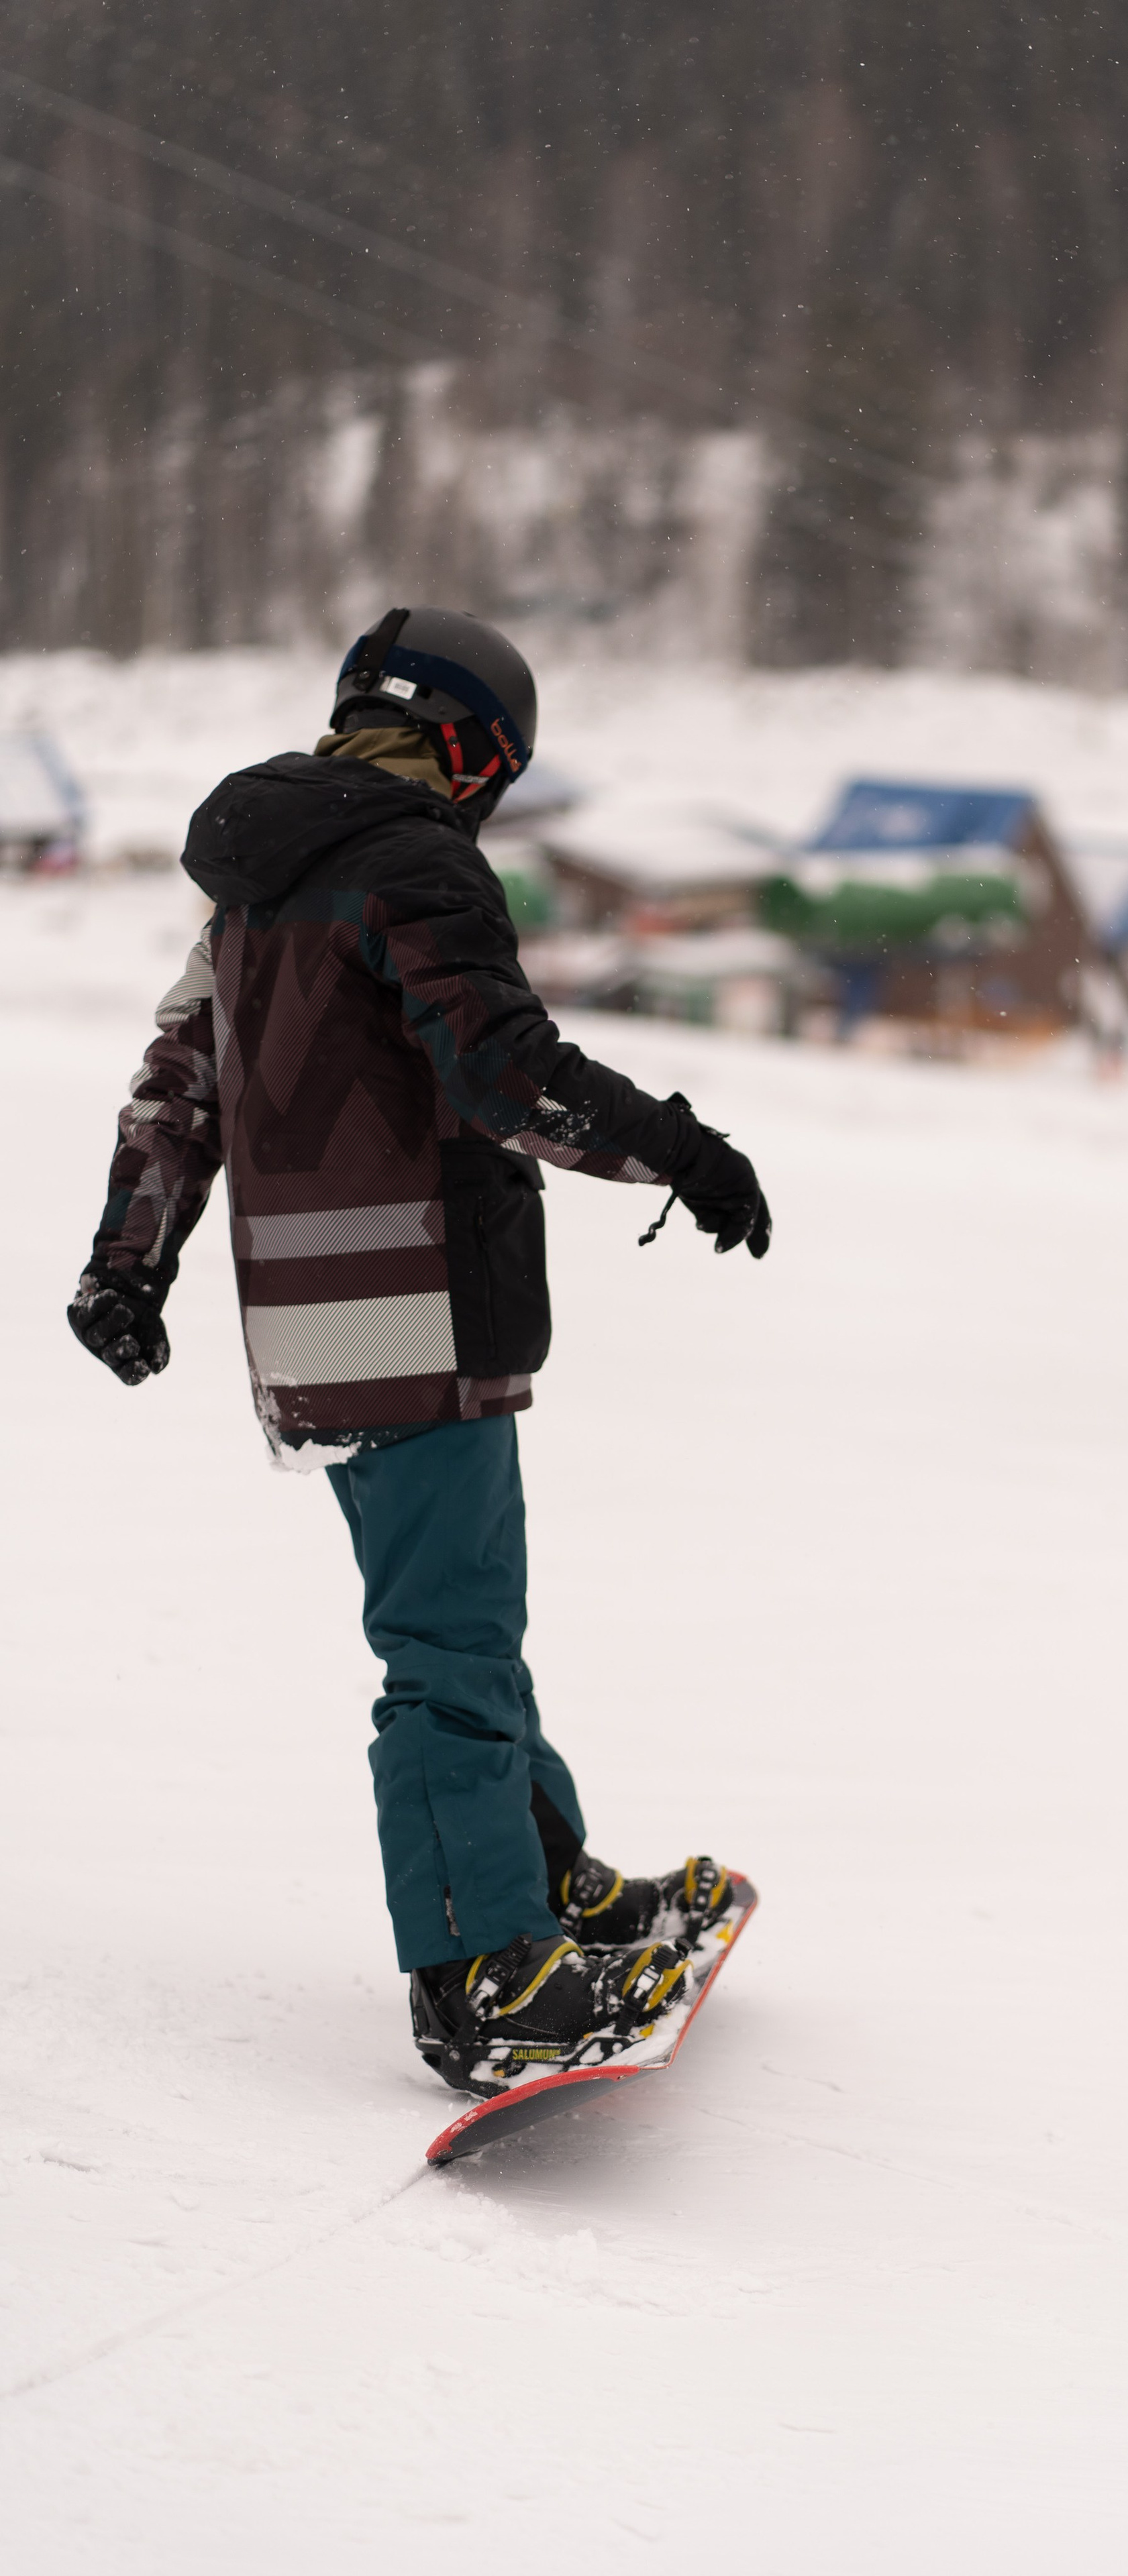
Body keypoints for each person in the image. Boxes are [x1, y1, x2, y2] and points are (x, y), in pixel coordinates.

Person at [66, 607, 770, 2100]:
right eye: (496, 771)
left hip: (317, 1324)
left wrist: (127, 1263)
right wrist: (678, 1149)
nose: (489, 801)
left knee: (460, 1625)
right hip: (420, 1308)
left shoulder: (257, 883)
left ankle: (545, 1883)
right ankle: (479, 1975)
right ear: (464, 744)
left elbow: (175, 1084)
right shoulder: (412, 861)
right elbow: (503, 1070)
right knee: (444, 1651)